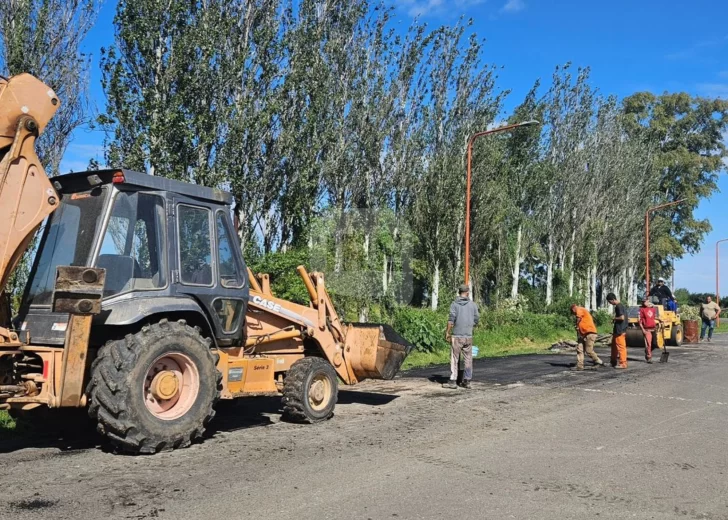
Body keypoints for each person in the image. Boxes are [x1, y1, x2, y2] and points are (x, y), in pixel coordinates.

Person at [444, 284, 480, 389]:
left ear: (459, 292)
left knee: (454, 358)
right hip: (468, 335)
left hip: (457, 335)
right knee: (468, 358)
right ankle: (467, 381)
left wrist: (447, 332)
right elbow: (476, 319)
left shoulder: (454, 304)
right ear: (467, 292)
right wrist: (470, 325)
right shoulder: (473, 305)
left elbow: (451, 320)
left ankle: (453, 381)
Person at [569, 304, 604, 370]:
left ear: (573, 309)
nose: (574, 314)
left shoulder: (579, 309)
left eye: (573, 313)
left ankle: (598, 361)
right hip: (582, 334)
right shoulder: (580, 311)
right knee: (579, 349)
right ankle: (580, 366)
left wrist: (577, 325)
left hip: (590, 333)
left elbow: (578, 318)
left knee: (589, 351)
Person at [606, 293, 628, 369]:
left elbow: (622, 318)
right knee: (614, 347)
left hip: (620, 330)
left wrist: (614, 318)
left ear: (612, 300)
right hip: (618, 330)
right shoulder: (621, 306)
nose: (610, 303)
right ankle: (613, 362)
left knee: (621, 347)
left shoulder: (619, 306)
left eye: (609, 302)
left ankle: (623, 363)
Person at [639, 297, 658, 363]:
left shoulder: (652, 309)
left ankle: (647, 351)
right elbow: (640, 321)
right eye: (644, 302)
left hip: (653, 328)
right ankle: (649, 357)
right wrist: (643, 329)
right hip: (647, 329)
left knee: (654, 344)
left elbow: (654, 317)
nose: (645, 303)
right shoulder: (641, 309)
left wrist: (660, 320)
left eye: (646, 301)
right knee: (648, 344)